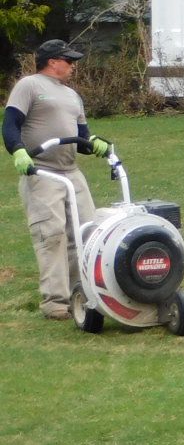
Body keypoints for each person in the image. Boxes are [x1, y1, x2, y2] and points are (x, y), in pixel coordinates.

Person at [4, 38, 113, 318]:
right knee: (50, 235)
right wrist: (18, 152)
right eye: (69, 60)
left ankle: (83, 294)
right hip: (42, 171)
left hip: (71, 172)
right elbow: (10, 124)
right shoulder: (29, 85)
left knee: (86, 233)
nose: (73, 66)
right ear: (52, 62)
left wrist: (96, 143)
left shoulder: (72, 95)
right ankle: (55, 302)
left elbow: (82, 139)